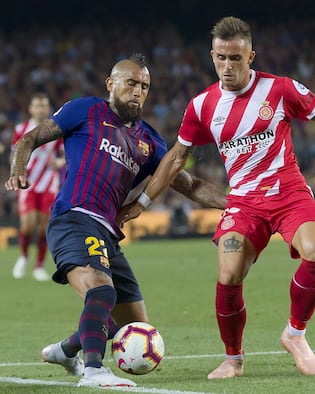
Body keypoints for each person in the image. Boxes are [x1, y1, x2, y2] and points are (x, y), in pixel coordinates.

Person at [121, 17, 315, 379]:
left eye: (235, 58)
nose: (227, 66)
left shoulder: (280, 90)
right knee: (229, 272)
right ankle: (233, 358)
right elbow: (174, 160)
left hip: (289, 193)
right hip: (244, 203)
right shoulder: (202, 106)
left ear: (251, 55)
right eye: (220, 58)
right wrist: (143, 204)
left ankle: (295, 333)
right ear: (212, 56)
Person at [5, 54, 226, 388]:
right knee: (100, 290)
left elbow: (191, 185)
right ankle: (93, 370)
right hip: (74, 218)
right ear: (111, 84)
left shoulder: (150, 141)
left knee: (133, 326)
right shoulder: (86, 110)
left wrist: (240, 202)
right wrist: (18, 167)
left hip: (107, 233)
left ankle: (66, 351)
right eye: (131, 83)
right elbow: (30, 138)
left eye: (145, 86)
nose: (138, 91)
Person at [11, 93, 65, 281]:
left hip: (49, 184)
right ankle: (24, 256)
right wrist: (15, 171)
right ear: (31, 109)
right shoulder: (21, 129)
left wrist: (59, 162)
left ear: (48, 108)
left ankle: (39, 265)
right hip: (28, 183)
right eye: (37, 106)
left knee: (43, 227)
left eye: (44, 106)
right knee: (27, 226)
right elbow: (14, 154)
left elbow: (63, 155)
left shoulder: (55, 128)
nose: (41, 109)